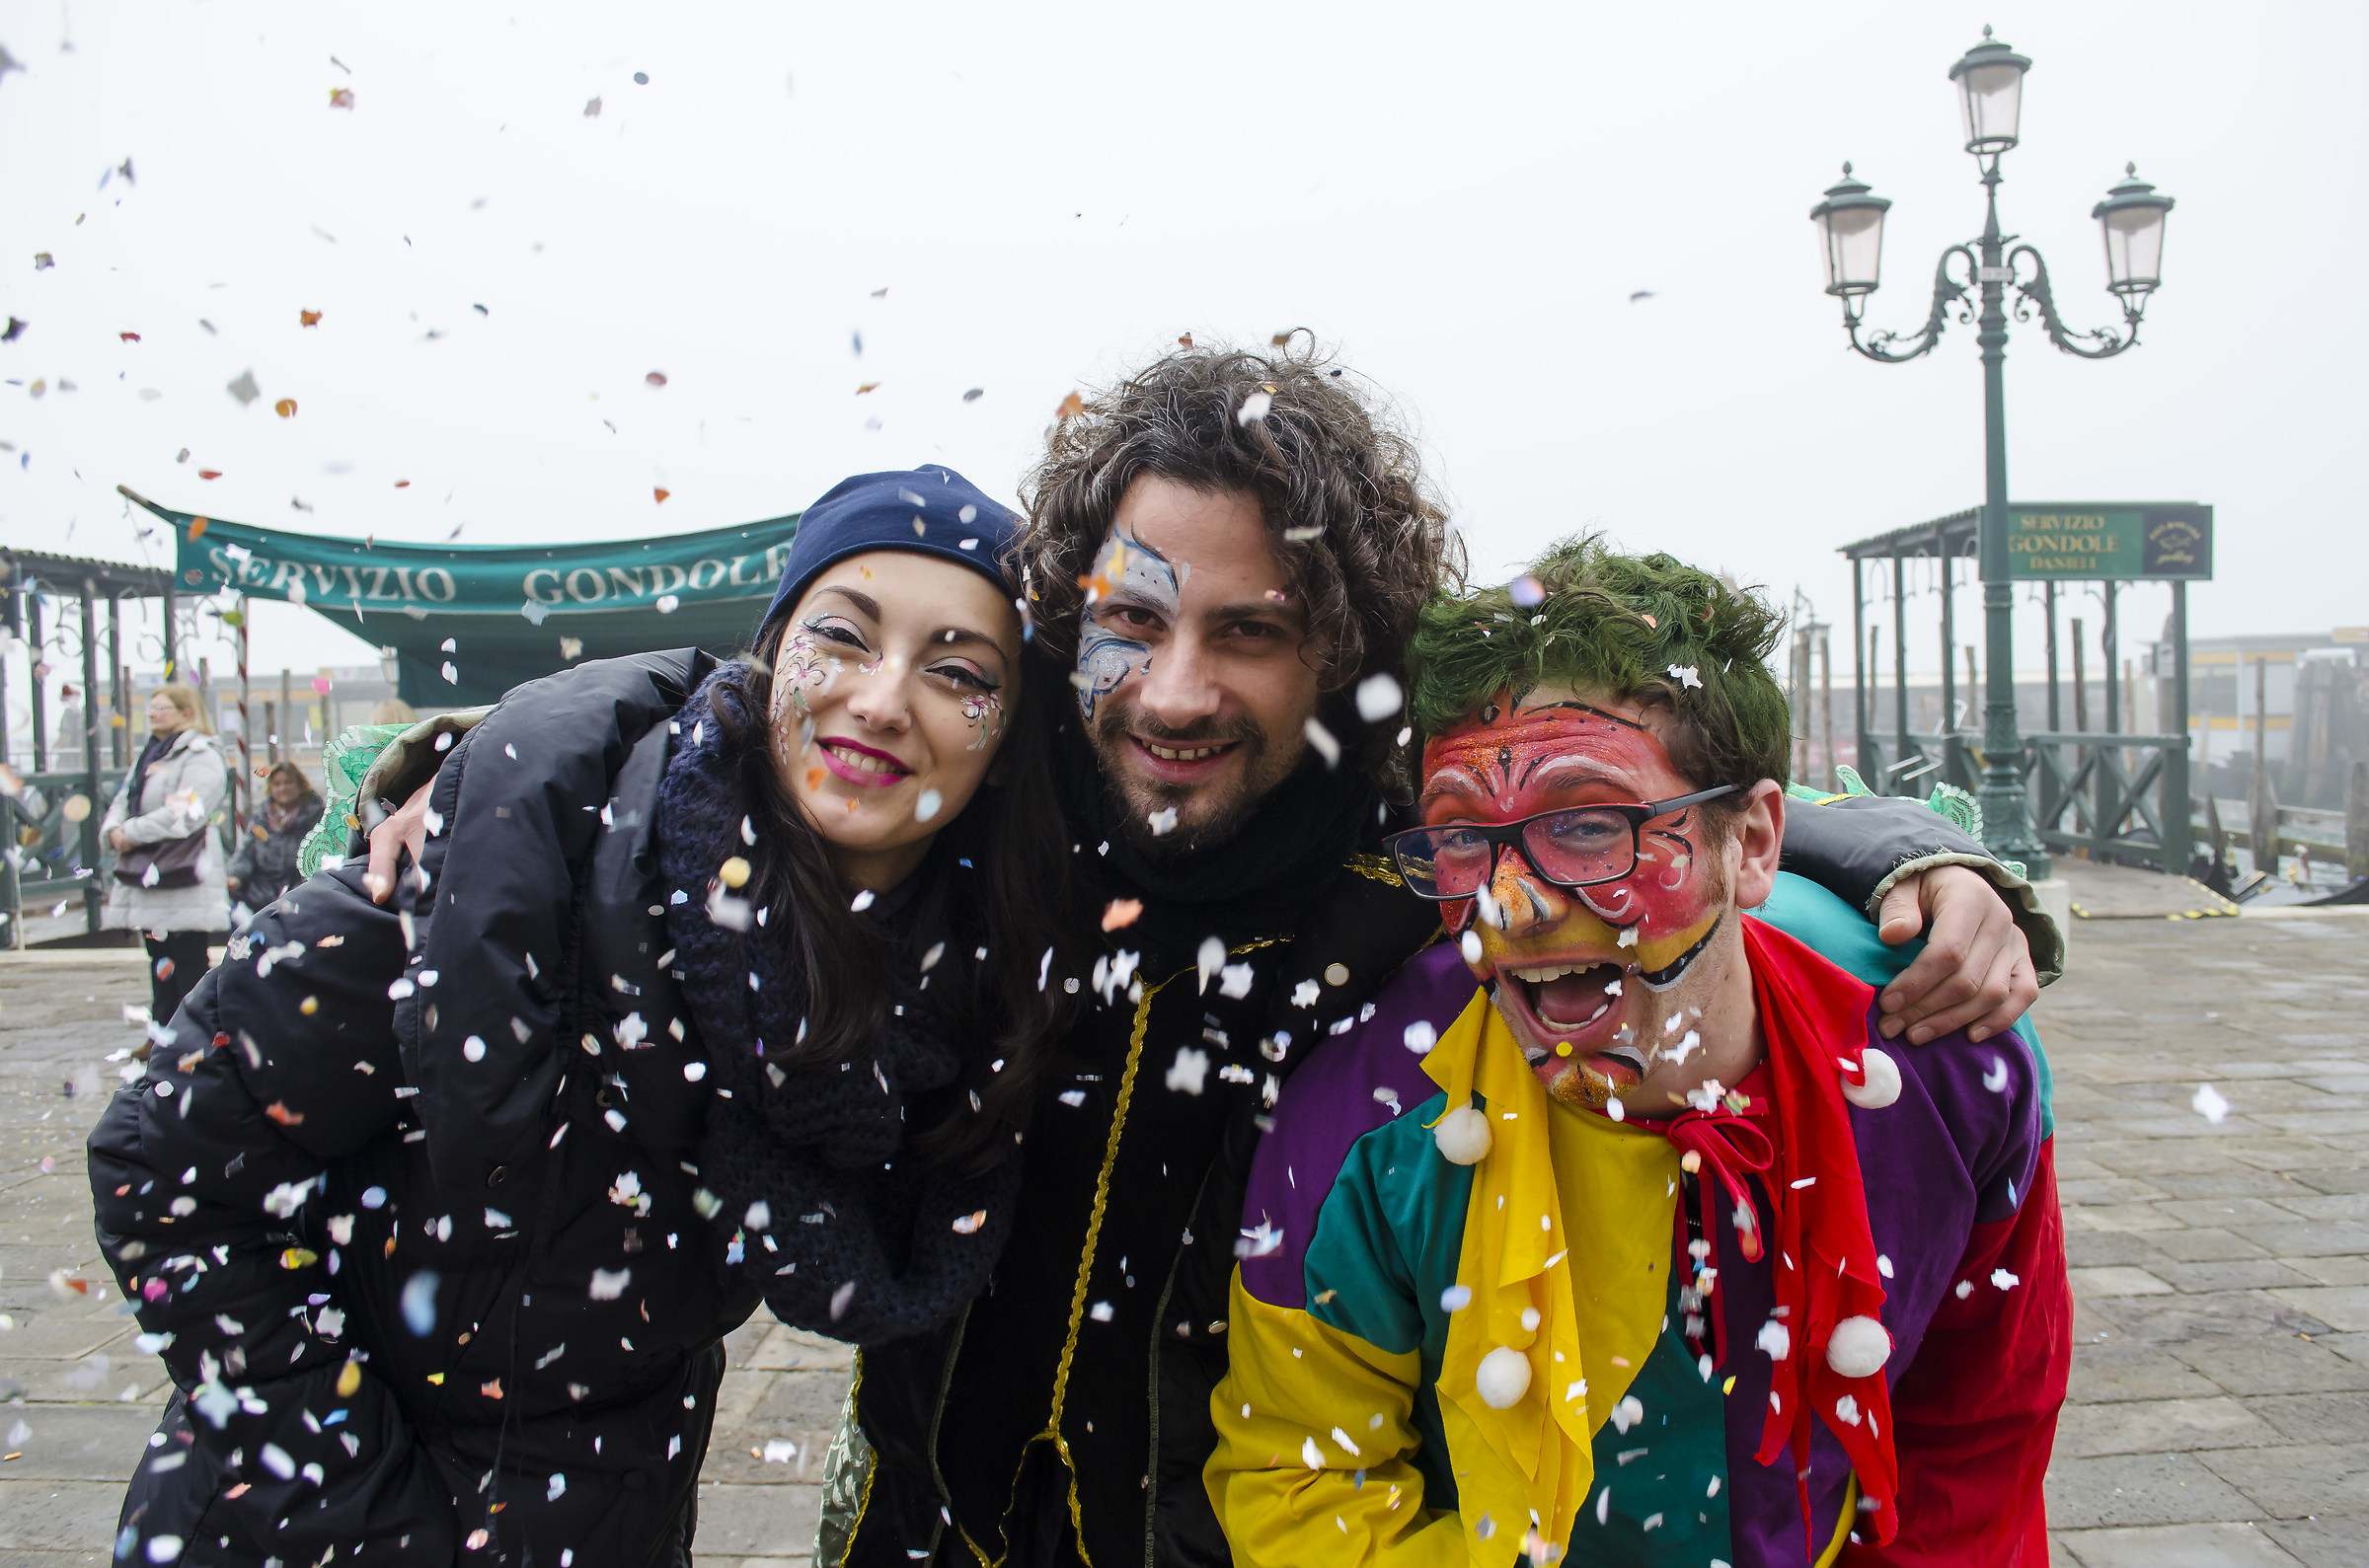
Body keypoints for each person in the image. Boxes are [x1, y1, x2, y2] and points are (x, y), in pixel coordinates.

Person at [817, 342, 2062, 1567]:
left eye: (1248, 630)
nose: (1174, 690)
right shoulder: (965, 811)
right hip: (930, 1515)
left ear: (1340, 656)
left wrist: (1899, 849)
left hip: (1201, 1525)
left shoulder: (1403, 873)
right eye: (1132, 618)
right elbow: (762, 741)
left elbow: (1631, 805)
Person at [88, 467, 1087, 1567]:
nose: (884, 696)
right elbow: (161, 1166)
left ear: (1007, 737)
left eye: (956, 669)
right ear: (766, 662)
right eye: (842, 635)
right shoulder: (478, 882)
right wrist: (375, 1519)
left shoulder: (940, 996)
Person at [1205, 539, 2071, 1566]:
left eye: (1585, 823)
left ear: (1751, 844)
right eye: (1463, 835)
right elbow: (1298, 1479)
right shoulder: (1361, 1121)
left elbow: (1979, 1434)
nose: (1508, 905)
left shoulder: (1947, 1063)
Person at [102, 683, 229, 1024]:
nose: (152, 714)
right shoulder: (151, 754)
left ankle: (195, 1033)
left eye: (161, 708)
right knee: (158, 956)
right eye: (151, 708)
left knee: (187, 957)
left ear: (187, 713)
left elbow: (186, 812)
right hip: (150, 870)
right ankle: (161, 1032)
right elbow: (125, 796)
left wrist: (130, 833)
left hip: (182, 869)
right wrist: (113, 829)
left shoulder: (201, 754)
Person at [225, 759, 325, 915]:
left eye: (288, 782)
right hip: (261, 890)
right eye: (277, 784)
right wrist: (236, 876)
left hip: (300, 891)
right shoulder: (262, 815)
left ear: (299, 785)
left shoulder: (317, 814)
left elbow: (322, 858)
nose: (282, 788)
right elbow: (247, 851)